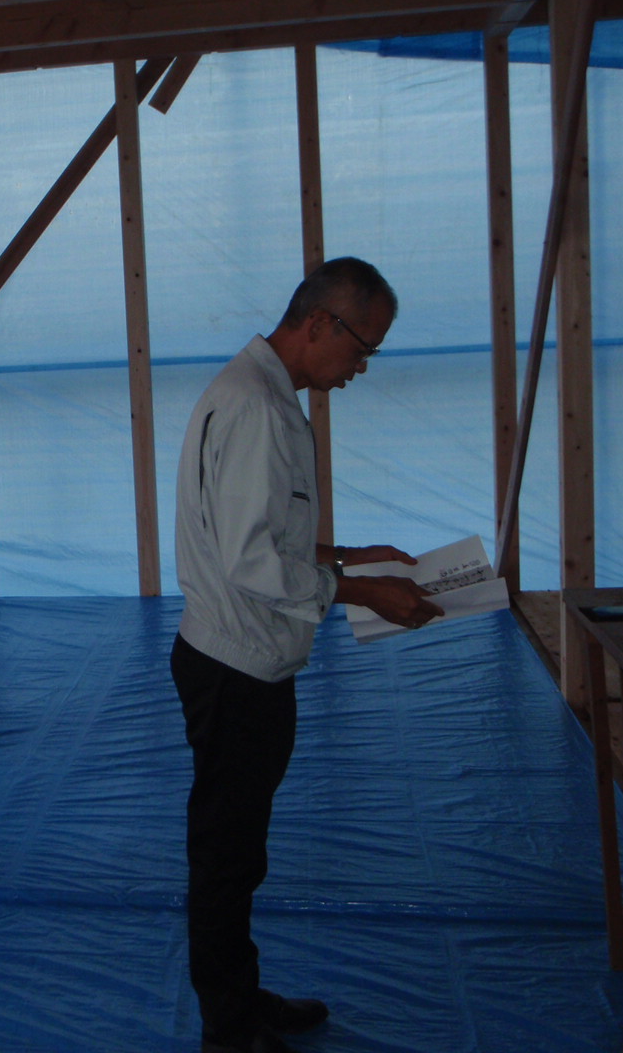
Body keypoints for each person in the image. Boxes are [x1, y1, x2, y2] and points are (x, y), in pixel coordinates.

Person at [171, 257, 444, 1053]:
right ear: (319, 323)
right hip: (233, 668)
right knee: (226, 857)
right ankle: (227, 1026)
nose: (362, 366)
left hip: (249, 660)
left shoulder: (264, 394)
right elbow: (251, 563)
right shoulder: (256, 406)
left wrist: (353, 555)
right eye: (363, 346)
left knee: (239, 852)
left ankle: (240, 995)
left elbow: (262, 533)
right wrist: (361, 591)